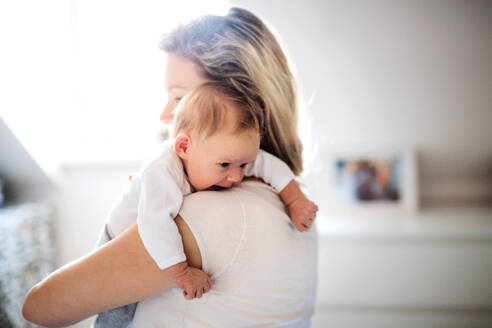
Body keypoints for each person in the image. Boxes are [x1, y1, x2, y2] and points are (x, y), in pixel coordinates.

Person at [22, 6, 318, 327]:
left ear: (241, 107)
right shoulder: (284, 204)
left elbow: (40, 306)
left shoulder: (209, 214)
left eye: (179, 98)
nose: (165, 116)